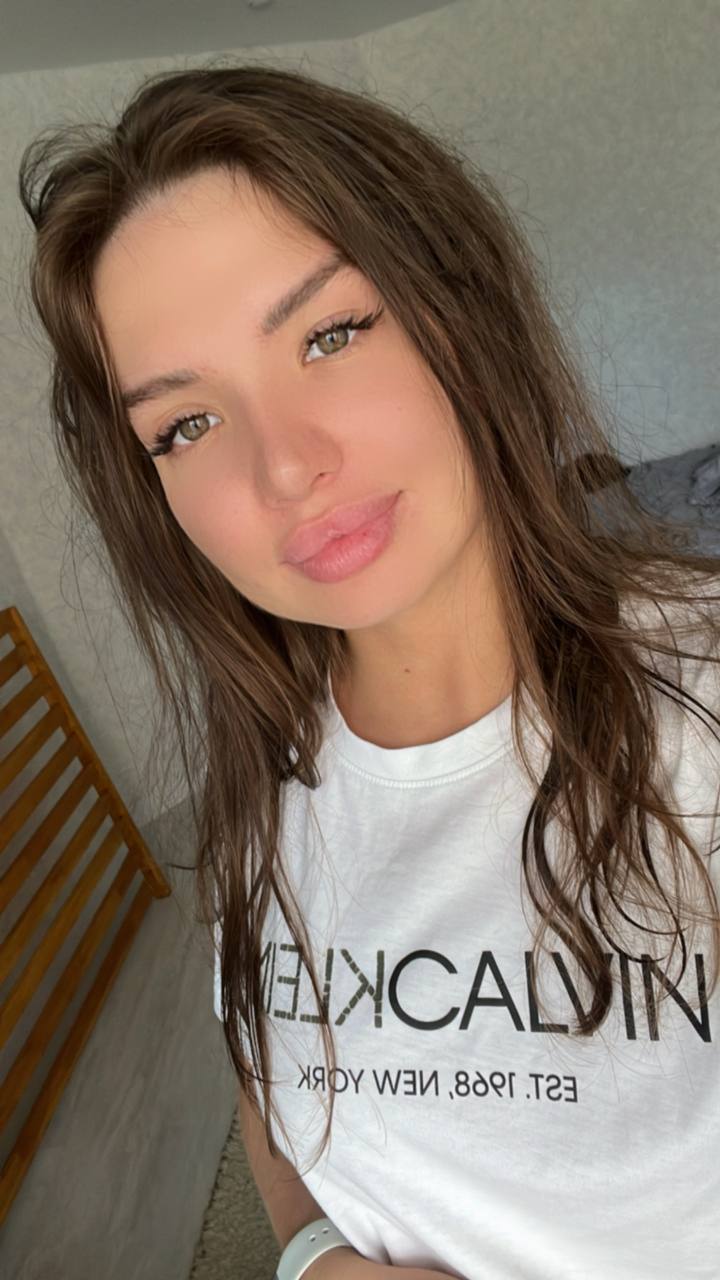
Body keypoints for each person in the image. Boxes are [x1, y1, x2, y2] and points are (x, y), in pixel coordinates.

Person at [16, 61, 720, 1280]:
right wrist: (312, 1255)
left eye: (329, 334)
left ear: (462, 313)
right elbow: (272, 1083)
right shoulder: (262, 784)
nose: (284, 466)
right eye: (186, 423)